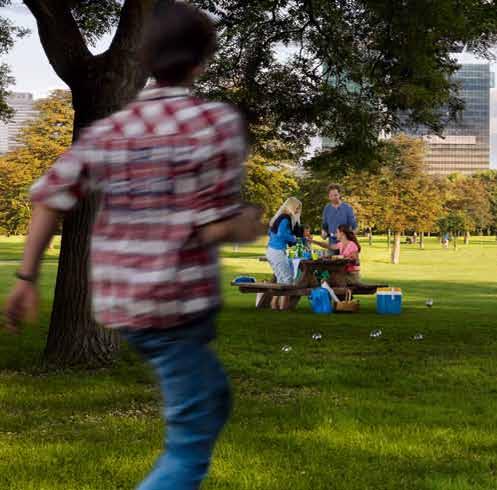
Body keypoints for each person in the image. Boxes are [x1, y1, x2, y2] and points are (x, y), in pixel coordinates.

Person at [3, 4, 263, 489]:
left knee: (211, 398)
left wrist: (25, 280)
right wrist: (246, 224)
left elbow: (48, 198)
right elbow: (212, 227)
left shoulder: (112, 130)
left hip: (126, 304)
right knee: (189, 443)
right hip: (178, 306)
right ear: (202, 61)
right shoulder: (215, 123)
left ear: (145, 58)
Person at [266, 197, 303, 310]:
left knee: (280, 279)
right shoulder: (285, 218)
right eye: (297, 208)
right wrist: (294, 239)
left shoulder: (278, 217)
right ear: (291, 207)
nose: (297, 211)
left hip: (271, 251)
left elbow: (271, 233)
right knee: (287, 280)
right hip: (277, 251)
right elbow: (281, 234)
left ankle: (274, 305)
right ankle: (283, 307)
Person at [321, 183, 357, 255]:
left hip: (345, 246)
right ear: (328, 196)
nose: (333, 197)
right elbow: (324, 226)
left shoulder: (347, 208)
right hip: (332, 245)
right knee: (331, 265)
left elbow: (355, 227)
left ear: (339, 194)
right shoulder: (327, 208)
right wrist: (323, 233)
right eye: (331, 196)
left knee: (346, 265)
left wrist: (348, 240)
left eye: (335, 195)